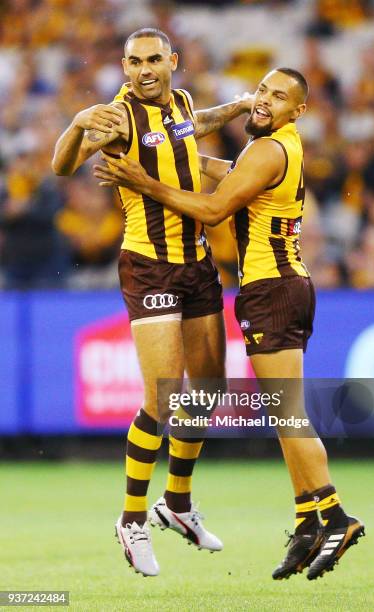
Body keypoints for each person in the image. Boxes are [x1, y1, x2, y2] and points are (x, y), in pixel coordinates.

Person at [94, 67, 366, 581]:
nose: (263, 100)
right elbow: (224, 172)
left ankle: (334, 515)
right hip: (282, 287)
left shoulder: (267, 150)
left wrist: (144, 180)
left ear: (298, 110)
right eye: (261, 90)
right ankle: (308, 521)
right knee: (282, 414)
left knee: (289, 415)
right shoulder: (277, 144)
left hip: (273, 290)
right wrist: (174, 158)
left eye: (278, 96)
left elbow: (216, 209)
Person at [52, 28, 253, 577]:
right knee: (163, 397)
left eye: (154, 60)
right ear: (123, 64)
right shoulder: (116, 117)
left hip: (197, 263)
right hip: (149, 264)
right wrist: (74, 125)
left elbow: (195, 124)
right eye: (135, 61)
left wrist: (236, 106)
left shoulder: (182, 103)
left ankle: (178, 504)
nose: (144, 70)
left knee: (209, 389)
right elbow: (63, 166)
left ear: (172, 62)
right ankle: (132, 519)